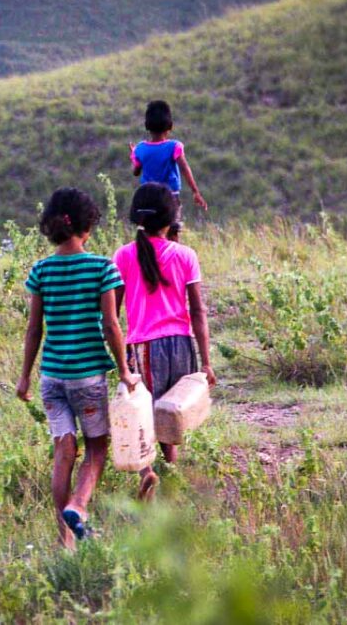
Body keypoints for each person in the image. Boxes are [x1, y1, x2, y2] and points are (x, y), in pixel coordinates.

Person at [16, 187, 136, 549]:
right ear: (87, 226)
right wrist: (126, 370)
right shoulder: (102, 267)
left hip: (51, 377)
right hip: (87, 377)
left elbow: (34, 328)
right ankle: (79, 507)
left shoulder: (41, 270)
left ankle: (63, 539)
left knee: (64, 451)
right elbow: (111, 325)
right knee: (97, 447)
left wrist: (24, 376)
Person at [113, 183, 217, 501]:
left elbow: (112, 313)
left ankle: (148, 472)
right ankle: (170, 470)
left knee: (144, 412)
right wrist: (206, 361)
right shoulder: (185, 255)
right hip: (182, 344)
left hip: (144, 346)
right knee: (170, 412)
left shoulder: (124, 256)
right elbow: (197, 310)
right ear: (170, 219)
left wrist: (117, 355)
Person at [128, 100, 207, 239]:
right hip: (170, 196)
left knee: (150, 233)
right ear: (170, 126)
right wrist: (195, 191)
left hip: (148, 197)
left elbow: (136, 171)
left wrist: (134, 155)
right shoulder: (174, 147)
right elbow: (184, 168)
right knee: (172, 231)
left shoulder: (140, 148)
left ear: (147, 126)